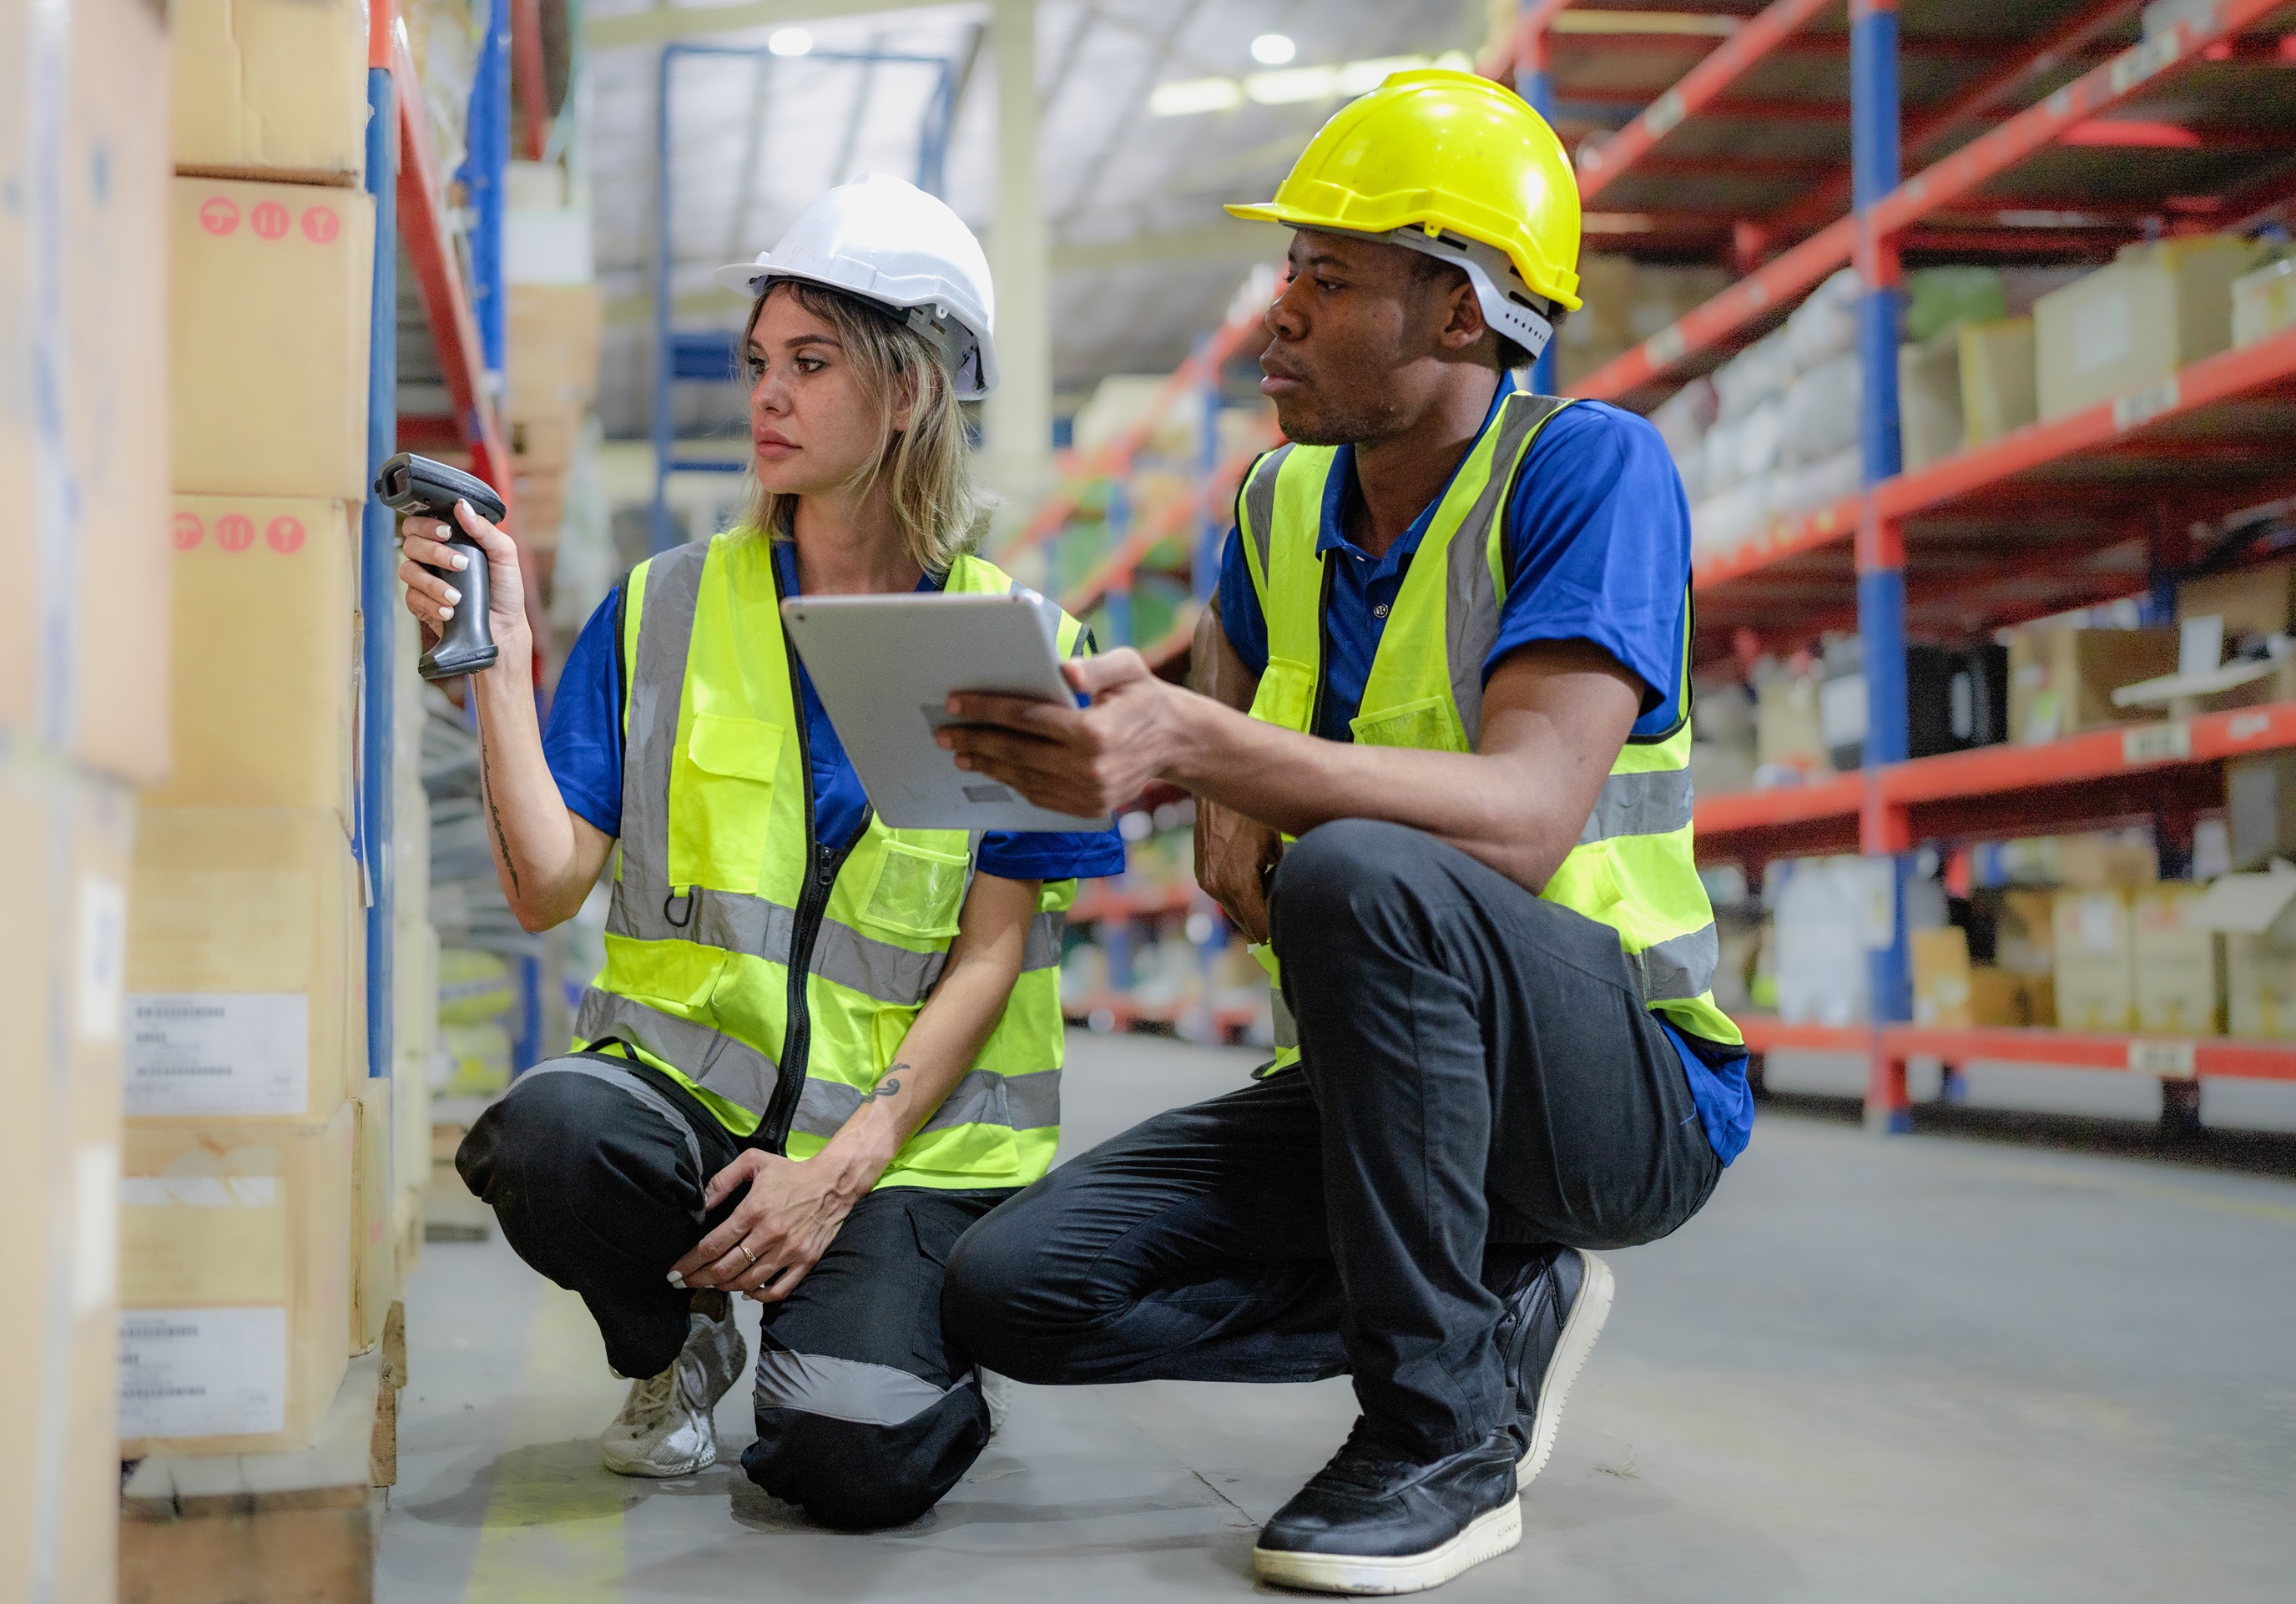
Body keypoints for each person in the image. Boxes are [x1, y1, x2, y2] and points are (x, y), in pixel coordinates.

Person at [935, 71, 1750, 1595]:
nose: (1279, 313)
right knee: (1011, 1292)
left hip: (1616, 1088)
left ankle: (1438, 1433)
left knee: (1368, 867)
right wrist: (1114, 710)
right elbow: (1222, 709)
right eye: (1285, 272)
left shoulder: (1586, 472)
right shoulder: (1273, 505)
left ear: (1462, 314)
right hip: (1383, 1097)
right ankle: (1485, 1297)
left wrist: (1210, 748)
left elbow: (1519, 818)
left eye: (1328, 277)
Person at [396, 174, 1123, 1531]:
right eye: (757, 365)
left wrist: (843, 1163)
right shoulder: (665, 609)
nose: (765, 397)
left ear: (910, 390)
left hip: (900, 1154)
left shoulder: (1016, 644)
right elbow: (546, 884)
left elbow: (993, 951)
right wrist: (493, 650)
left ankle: (905, 1342)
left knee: (846, 1464)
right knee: (545, 1138)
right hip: (691, 1110)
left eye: (809, 363)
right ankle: (679, 1344)